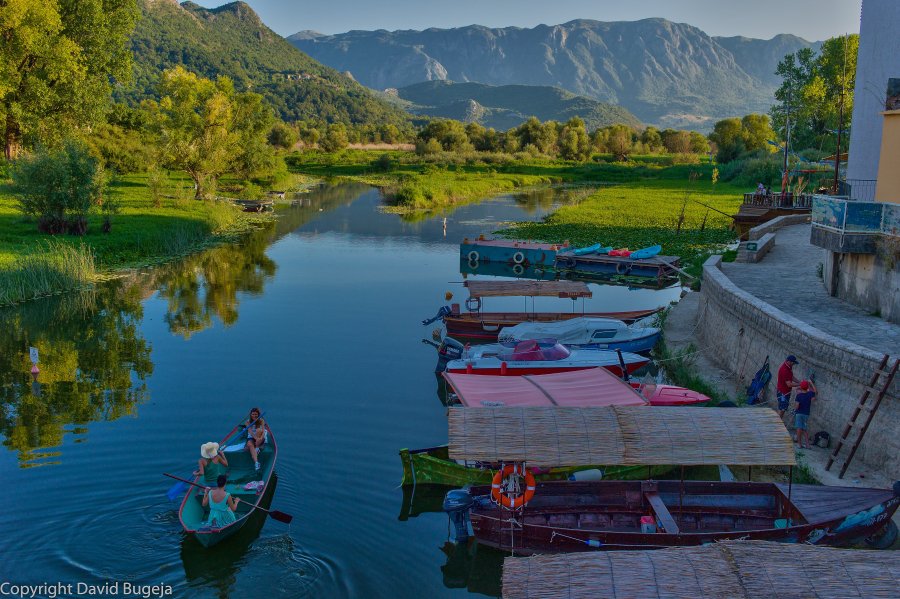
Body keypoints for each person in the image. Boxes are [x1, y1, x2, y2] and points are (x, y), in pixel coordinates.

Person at [794, 380, 817, 449]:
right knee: (804, 429)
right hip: (806, 414)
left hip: (799, 414)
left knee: (799, 428)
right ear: (807, 387)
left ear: (800, 387)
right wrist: (811, 383)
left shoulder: (799, 396)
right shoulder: (810, 394)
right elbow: (815, 392)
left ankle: (799, 444)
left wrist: (795, 409)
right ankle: (807, 445)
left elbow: (797, 406)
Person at [244, 407, 267, 472]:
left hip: (260, 436)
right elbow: (250, 432)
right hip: (252, 437)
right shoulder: (247, 422)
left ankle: (257, 447)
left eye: (256, 414)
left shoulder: (261, 420)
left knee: (258, 430)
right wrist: (256, 439)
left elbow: (263, 430)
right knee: (249, 444)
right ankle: (256, 463)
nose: (254, 415)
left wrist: (260, 438)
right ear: (250, 415)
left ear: (258, 414)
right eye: (253, 414)